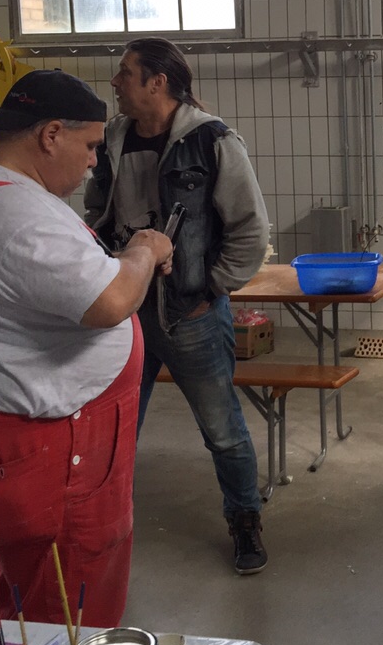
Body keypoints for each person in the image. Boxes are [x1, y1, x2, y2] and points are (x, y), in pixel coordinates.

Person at [0, 69, 173, 628]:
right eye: (89, 146)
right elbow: (112, 301)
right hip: (52, 444)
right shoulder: (13, 214)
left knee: (36, 586)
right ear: (50, 134)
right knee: (69, 610)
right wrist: (143, 250)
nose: (93, 162)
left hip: (16, 417)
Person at [84, 37, 271, 574]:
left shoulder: (212, 141)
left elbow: (250, 229)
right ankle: (101, 528)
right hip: (127, 312)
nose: (115, 82)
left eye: (125, 72)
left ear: (157, 82)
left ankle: (245, 521)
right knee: (118, 428)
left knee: (223, 431)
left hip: (192, 318)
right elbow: (98, 209)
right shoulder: (114, 137)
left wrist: (210, 289)